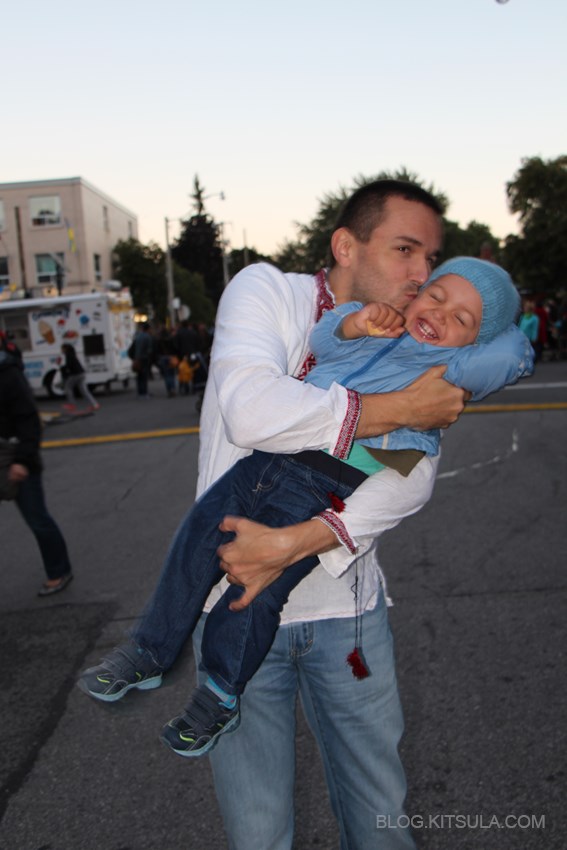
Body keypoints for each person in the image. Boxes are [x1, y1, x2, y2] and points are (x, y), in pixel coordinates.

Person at [78, 181, 492, 849]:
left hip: (346, 621)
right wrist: (395, 411)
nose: (423, 274)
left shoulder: (425, 346)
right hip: (226, 598)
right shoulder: (268, 291)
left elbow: (409, 478)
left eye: (431, 257)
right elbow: (252, 412)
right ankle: (154, 652)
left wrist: (295, 543)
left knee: (380, 822)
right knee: (259, 834)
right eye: (405, 250)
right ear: (346, 246)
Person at [82, 258, 529, 759]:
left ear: (476, 342)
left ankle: (220, 695)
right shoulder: (378, 326)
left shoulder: (449, 372)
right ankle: (149, 650)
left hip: (325, 483)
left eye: (462, 319)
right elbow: (325, 342)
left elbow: (516, 353)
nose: (440, 314)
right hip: (269, 459)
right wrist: (354, 323)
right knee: (195, 538)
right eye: (436, 295)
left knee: (255, 588)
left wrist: (493, 332)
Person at [0, 343, 74, 596]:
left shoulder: (8, 374)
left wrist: (22, 460)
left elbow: (29, 419)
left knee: (37, 519)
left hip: (15, 456)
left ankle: (59, 571)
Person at [60, 343, 99, 412]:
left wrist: (62, 368)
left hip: (76, 374)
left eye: (62, 349)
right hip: (82, 373)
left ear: (65, 349)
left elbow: (69, 365)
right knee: (84, 390)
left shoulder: (68, 355)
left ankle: (72, 404)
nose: (61, 350)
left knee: (67, 387)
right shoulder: (72, 354)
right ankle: (95, 404)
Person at [129, 323, 154, 398]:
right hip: (144, 358)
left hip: (137, 358)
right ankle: (144, 392)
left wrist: (134, 357)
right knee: (144, 376)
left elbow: (132, 348)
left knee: (139, 376)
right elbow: (149, 349)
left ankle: (140, 392)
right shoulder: (148, 337)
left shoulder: (138, 336)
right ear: (148, 329)